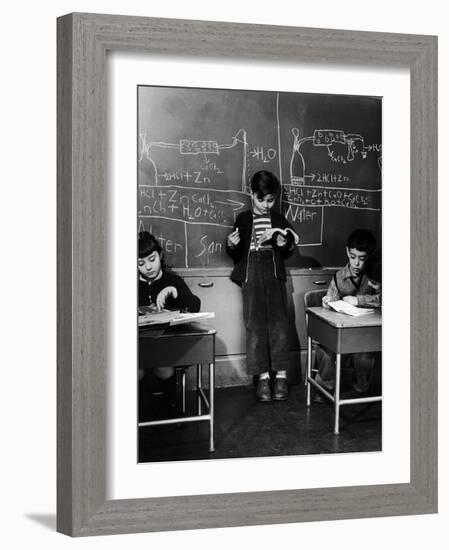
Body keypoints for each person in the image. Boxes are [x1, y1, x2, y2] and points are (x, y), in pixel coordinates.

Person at [226, 170, 299, 402]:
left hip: (274, 274)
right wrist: (231, 244)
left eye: (271, 200)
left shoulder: (278, 219)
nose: (266, 205)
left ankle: (281, 377)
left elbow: (287, 251)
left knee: (279, 325)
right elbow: (236, 253)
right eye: (261, 200)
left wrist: (283, 243)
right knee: (255, 326)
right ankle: (264, 378)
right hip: (251, 276)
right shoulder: (243, 219)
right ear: (251, 194)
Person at [314, 229, 381, 399]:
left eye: (362, 259)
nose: (356, 264)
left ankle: (361, 386)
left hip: (366, 333)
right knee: (324, 346)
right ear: (347, 252)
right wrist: (327, 302)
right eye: (352, 257)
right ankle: (325, 384)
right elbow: (331, 300)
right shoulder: (339, 277)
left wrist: (359, 300)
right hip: (343, 332)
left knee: (364, 355)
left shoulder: (376, 274)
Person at [138, 231, 201, 407]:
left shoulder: (172, 280)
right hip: (139, 344)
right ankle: (141, 411)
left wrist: (174, 291)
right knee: (136, 370)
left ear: (160, 255)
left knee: (164, 368)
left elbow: (195, 305)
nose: (148, 267)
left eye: (152, 259)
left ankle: (170, 408)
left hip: (167, 344)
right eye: (141, 263)